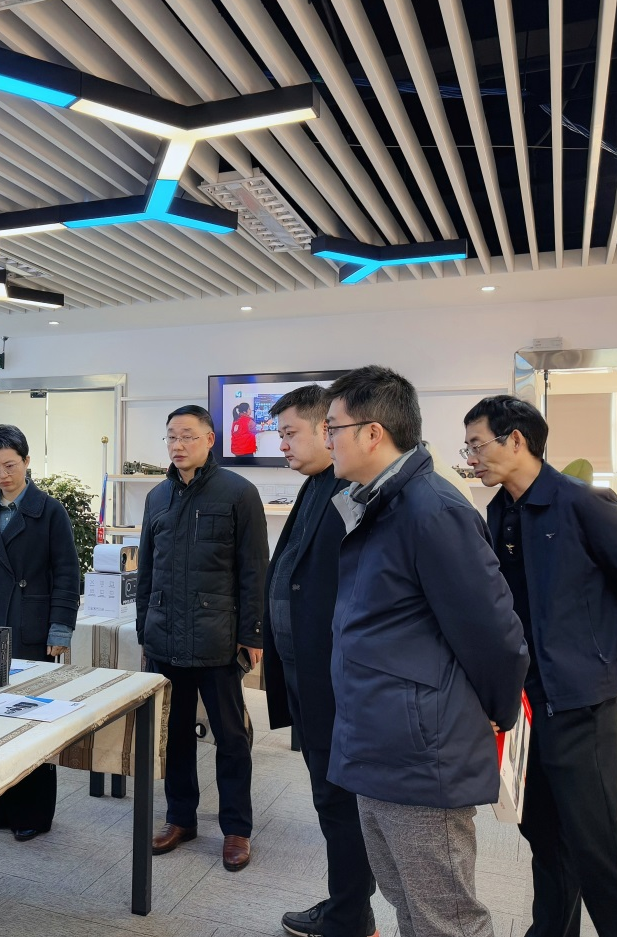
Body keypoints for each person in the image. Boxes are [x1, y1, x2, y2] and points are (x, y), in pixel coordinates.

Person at [323, 366, 528, 937]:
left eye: (333, 427)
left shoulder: (431, 509)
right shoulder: (377, 503)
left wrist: (497, 710)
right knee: (407, 903)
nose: (325, 439)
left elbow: (494, 633)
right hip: (379, 736)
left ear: (373, 433)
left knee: (446, 917)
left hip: (420, 747)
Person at [463, 396, 617, 937]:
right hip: (527, 704)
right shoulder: (500, 511)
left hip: (579, 701)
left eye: (477, 445)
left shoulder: (582, 503)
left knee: (598, 846)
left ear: (516, 440)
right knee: (544, 835)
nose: (471, 458)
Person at [260, 385, 376, 937]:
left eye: (290, 433)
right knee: (328, 797)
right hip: (305, 674)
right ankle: (348, 908)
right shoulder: (314, 486)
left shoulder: (353, 492)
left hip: (335, 679)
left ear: (326, 429)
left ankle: (349, 915)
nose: (282, 444)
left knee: (340, 800)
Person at [137, 404, 268, 872]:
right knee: (174, 735)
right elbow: (147, 570)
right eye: (171, 437)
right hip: (165, 638)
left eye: (188, 436)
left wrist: (253, 633)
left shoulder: (239, 492)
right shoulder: (157, 497)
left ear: (210, 440)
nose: (178, 445)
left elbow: (254, 569)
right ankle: (180, 819)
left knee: (231, 737)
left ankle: (236, 828)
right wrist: (144, 629)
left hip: (218, 638)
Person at [0, 424, 80, 841]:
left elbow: (67, 573)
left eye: (10, 465)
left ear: (26, 462)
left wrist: (61, 628)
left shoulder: (50, 511)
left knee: (29, 718)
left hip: (30, 625)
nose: (2, 475)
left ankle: (33, 813)